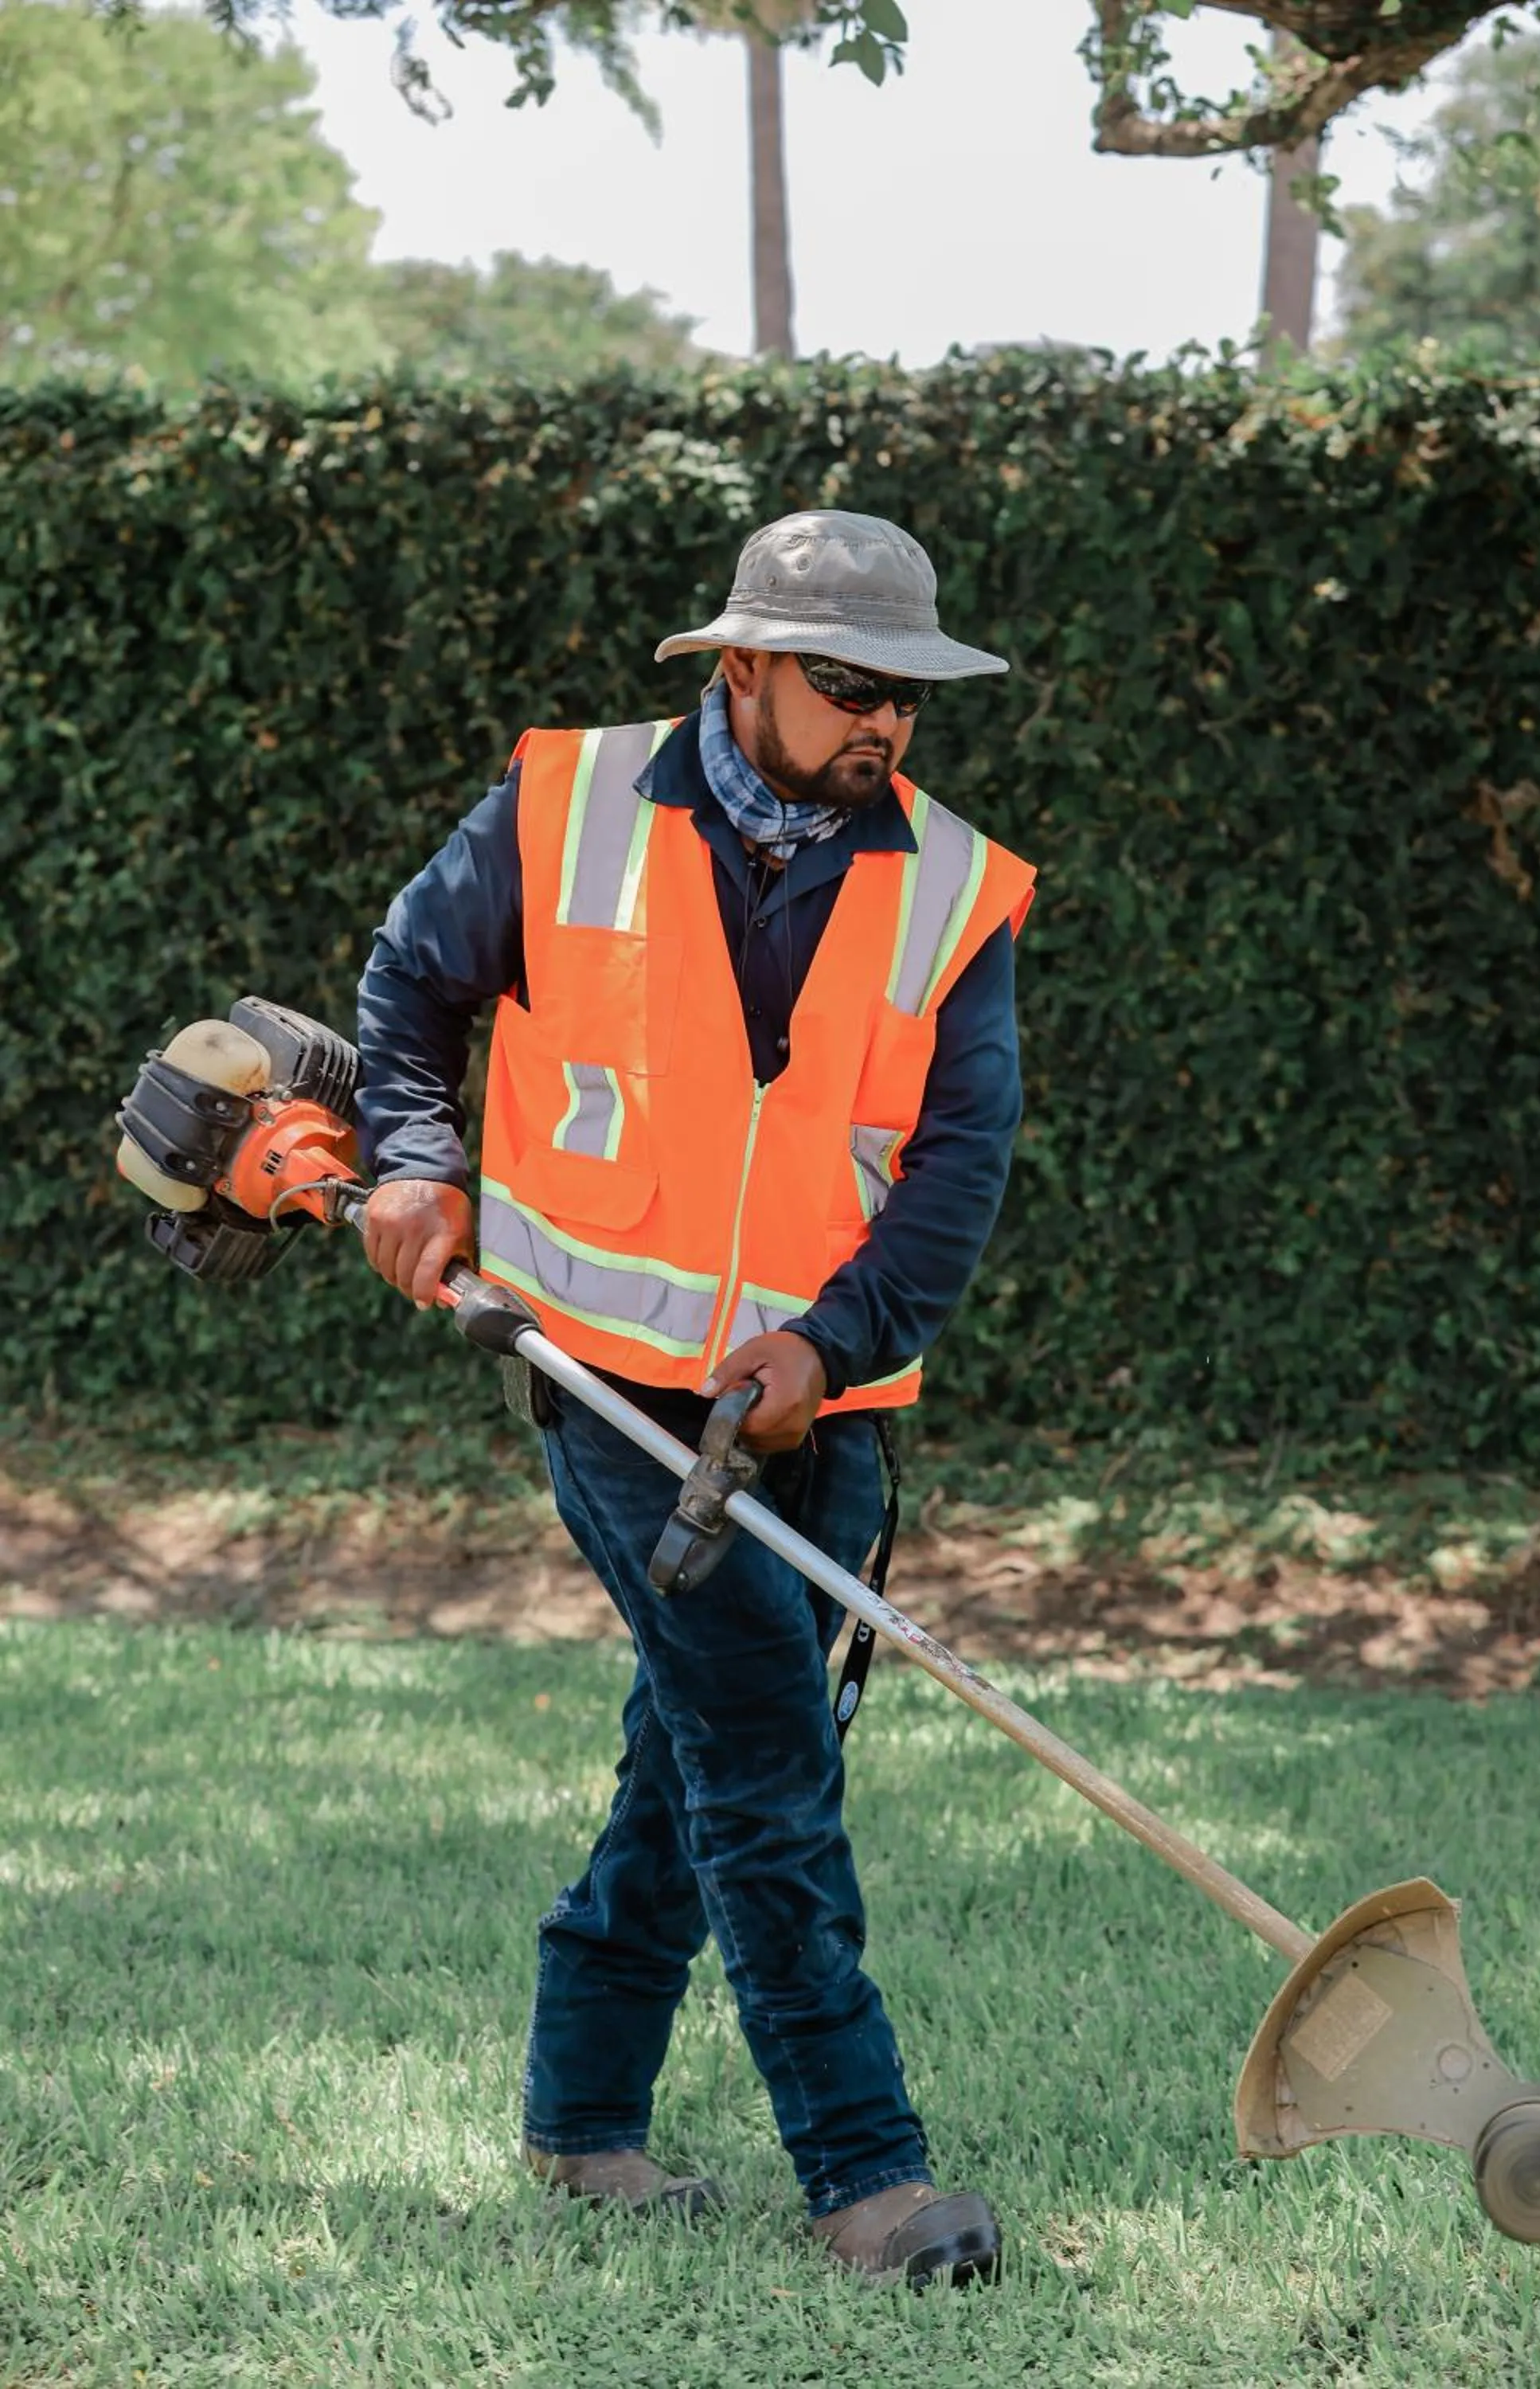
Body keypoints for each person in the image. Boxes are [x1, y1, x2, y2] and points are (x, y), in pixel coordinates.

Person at [355, 510, 1035, 2289]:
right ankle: (868, 2180)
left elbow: (958, 1164)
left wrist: (827, 1343)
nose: (880, 720)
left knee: (684, 1770)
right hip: (604, 1386)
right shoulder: (560, 805)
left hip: (831, 1410)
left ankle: (581, 2124)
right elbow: (414, 990)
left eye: (905, 692)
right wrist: (412, 1162)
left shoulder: (955, 889)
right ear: (738, 668)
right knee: (761, 1764)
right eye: (843, 683)